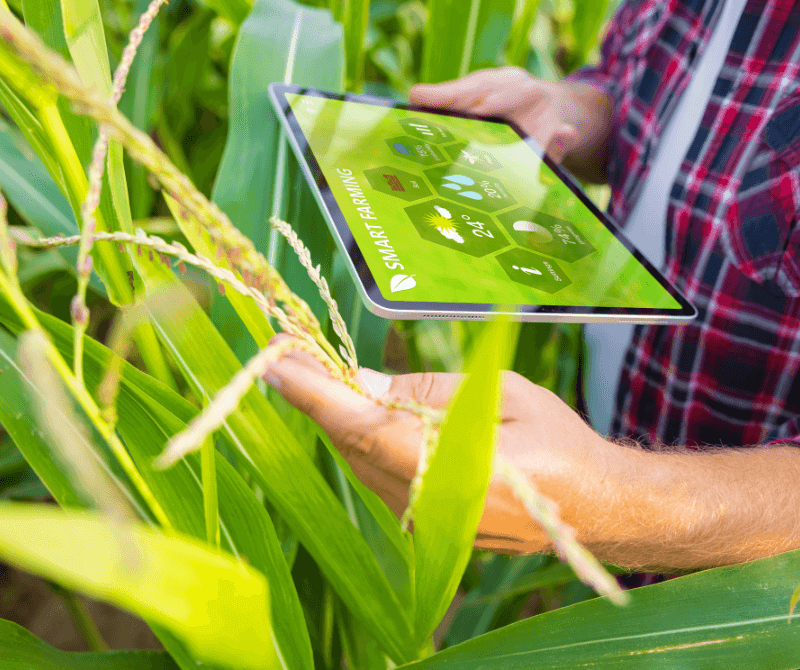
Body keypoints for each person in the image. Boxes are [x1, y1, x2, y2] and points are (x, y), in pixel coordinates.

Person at [265, 0, 800, 571]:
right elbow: (636, 87)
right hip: (602, 443)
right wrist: (565, 109)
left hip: (740, 610)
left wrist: (611, 500)